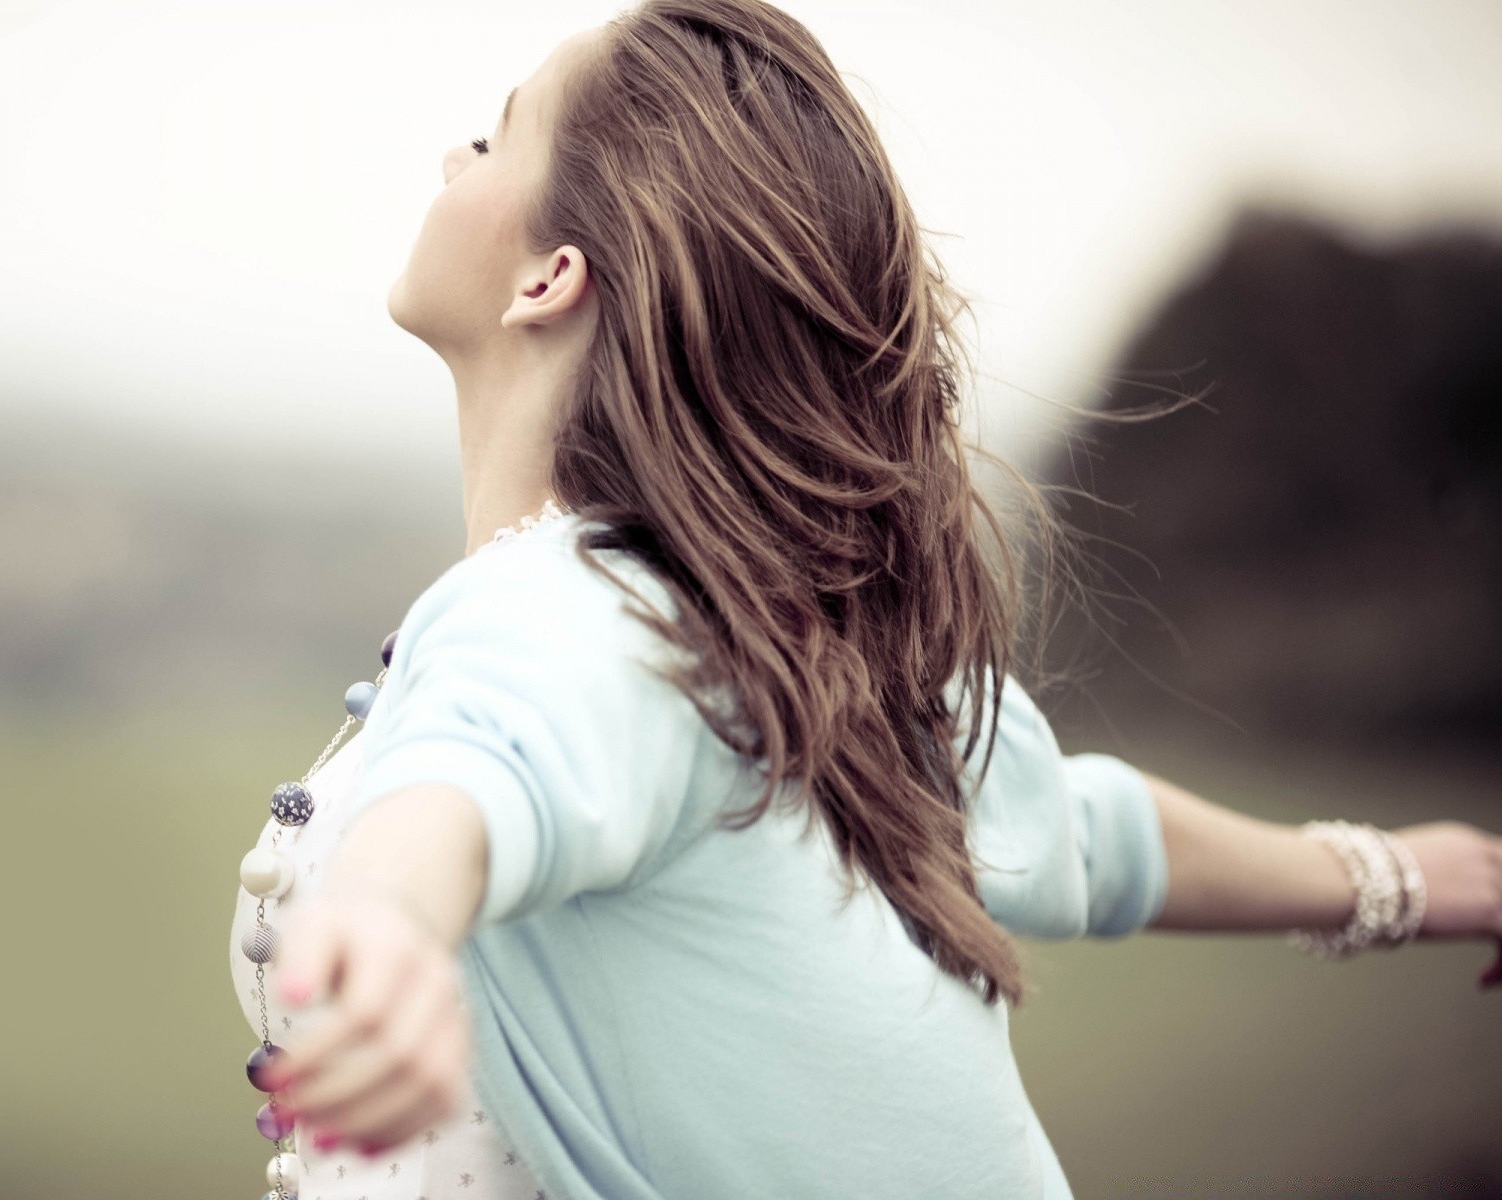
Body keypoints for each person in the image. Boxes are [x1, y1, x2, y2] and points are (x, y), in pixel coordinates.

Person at [230, 3, 1502, 1197]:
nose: (453, 153)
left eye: (499, 131)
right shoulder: (781, 643)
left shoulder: (565, 612)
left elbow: (476, 776)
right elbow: (1088, 830)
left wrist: (392, 927)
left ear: (550, 276)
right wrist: (1395, 873)